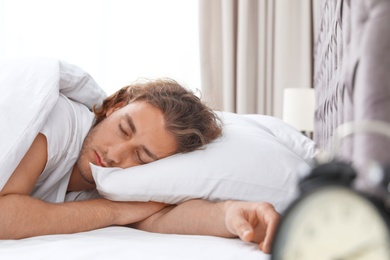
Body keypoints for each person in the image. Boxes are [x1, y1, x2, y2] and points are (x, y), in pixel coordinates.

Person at [0, 78, 280, 253]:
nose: (116, 156)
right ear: (117, 105)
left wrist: (231, 215)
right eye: (123, 128)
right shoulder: (60, 120)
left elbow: (159, 217)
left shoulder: (115, 184)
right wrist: (113, 212)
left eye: (142, 157)